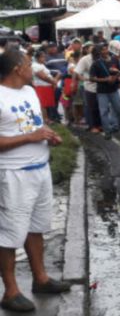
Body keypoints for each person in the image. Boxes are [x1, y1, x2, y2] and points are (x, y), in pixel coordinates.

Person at [0, 49, 70, 313]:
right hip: (12, 174)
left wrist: (48, 136)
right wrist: (29, 138)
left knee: (36, 226)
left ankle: (40, 279)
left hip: (40, 168)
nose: (35, 69)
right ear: (17, 68)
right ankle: (10, 291)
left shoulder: (29, 92)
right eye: (30, 64)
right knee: (9, 233)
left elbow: (34, 126)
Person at [89, 45, 120, 140]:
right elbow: (92, 78)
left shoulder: (115, 60)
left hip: (114, 90)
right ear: (100, 52)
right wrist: (105, 79)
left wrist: (117, 79)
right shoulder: (96, 63)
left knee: (119, 110)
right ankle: (107, 131)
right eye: (103, 49)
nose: (105, 51)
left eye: (106, 48)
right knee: (103, 112)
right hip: (102, 92)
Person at [74, 42, 102, 133]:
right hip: (90, 87)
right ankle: (92, 126)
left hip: (102, 87)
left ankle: (99, 125)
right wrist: (85, 80)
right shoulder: (84, 59)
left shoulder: (102, 57)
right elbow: (77, 73)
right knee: (91, 107)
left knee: (100, 107)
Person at [31, 50, 58, 124]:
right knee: (43, 104)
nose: (44, 58)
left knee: (47, 104)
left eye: (44, 57)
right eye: (42, 57)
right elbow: (43, 77)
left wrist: (53, 82)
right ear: (37, 58)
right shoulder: (35, 66)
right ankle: (45, 119)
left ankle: (48, 118)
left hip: (47, 86)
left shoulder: (42, 65)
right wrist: (53, 82)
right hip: (42, 87)